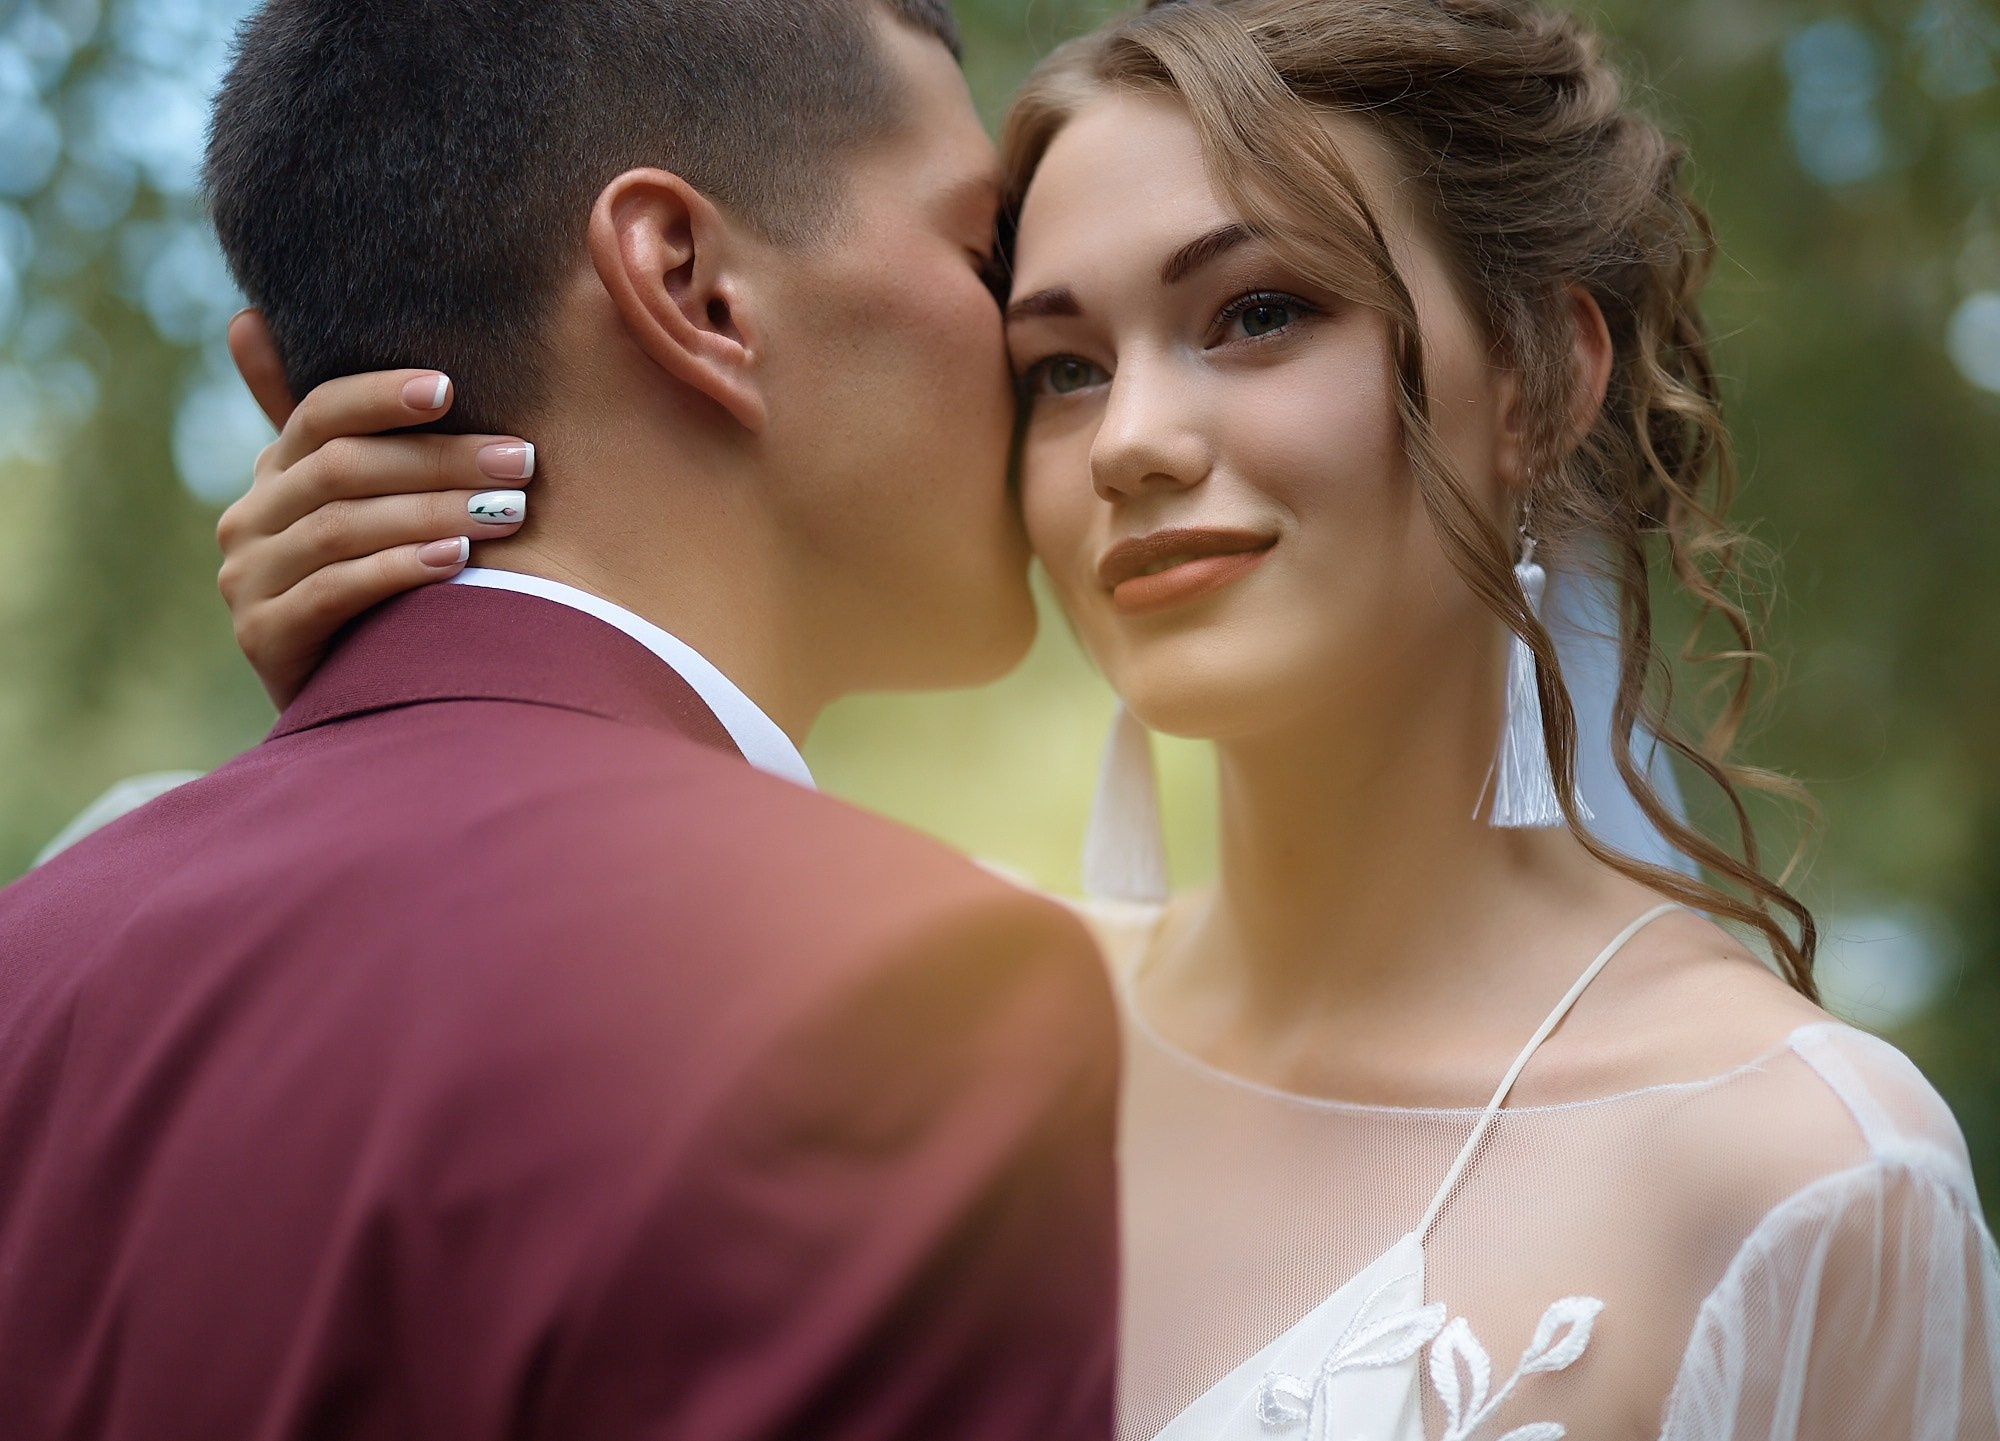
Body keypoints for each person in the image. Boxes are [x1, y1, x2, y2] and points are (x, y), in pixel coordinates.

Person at [122, 0, 2000, 1437]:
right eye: (1060, 367)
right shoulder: (861, 1030)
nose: (1137, 442)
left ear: (1541, 376)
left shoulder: (1798, 1167)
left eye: (1258, 314)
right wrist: (405, 689)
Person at [0, 3, 1125, 1438]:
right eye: (981, 253)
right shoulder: (894, 987)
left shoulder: (35, 959)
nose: (1028, 340)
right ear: (692, 284)